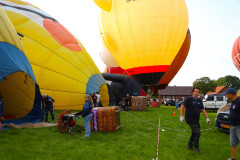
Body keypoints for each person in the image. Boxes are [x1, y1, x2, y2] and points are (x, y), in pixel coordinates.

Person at [180, 87, 210, 152]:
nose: (197, 93)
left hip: (196, 120)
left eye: (198, 92)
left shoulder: (199, 100)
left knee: (194, 133)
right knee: (197, 133)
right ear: (192, 92)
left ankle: (189, 145)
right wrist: (181, 116)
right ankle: (196, 147)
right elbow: (182, 106)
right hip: (190, 119)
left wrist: (207, 118)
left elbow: (203, 109)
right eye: (196, 92)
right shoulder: (188, 99)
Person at [224, 88, 240, 160]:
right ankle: (233, 158)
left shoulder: (239, 101)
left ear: (231, 94)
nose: (226, 95)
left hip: (239, 126)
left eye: (227, 94)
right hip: (233, 126)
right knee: (233, 144)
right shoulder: (233, 102)